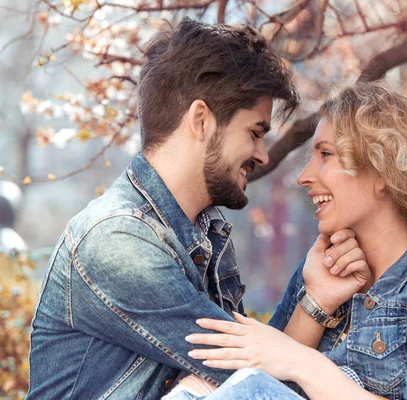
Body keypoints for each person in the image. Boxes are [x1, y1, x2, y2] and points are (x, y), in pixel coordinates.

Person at [26, 19, 369, 399]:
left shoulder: (207, 234)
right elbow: (263, 385)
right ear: (201, 120)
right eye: (255, 133)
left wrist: (316, 299)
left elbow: (257, 377)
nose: (262, 154)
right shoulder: (118, 240)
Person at [179, 82, 407, 399]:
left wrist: (304, 363)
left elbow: (281, 368)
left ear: (384, 170)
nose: (304, 176)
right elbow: (270, 382)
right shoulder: (319, 269)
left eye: (326, 154)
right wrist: (317, 302)